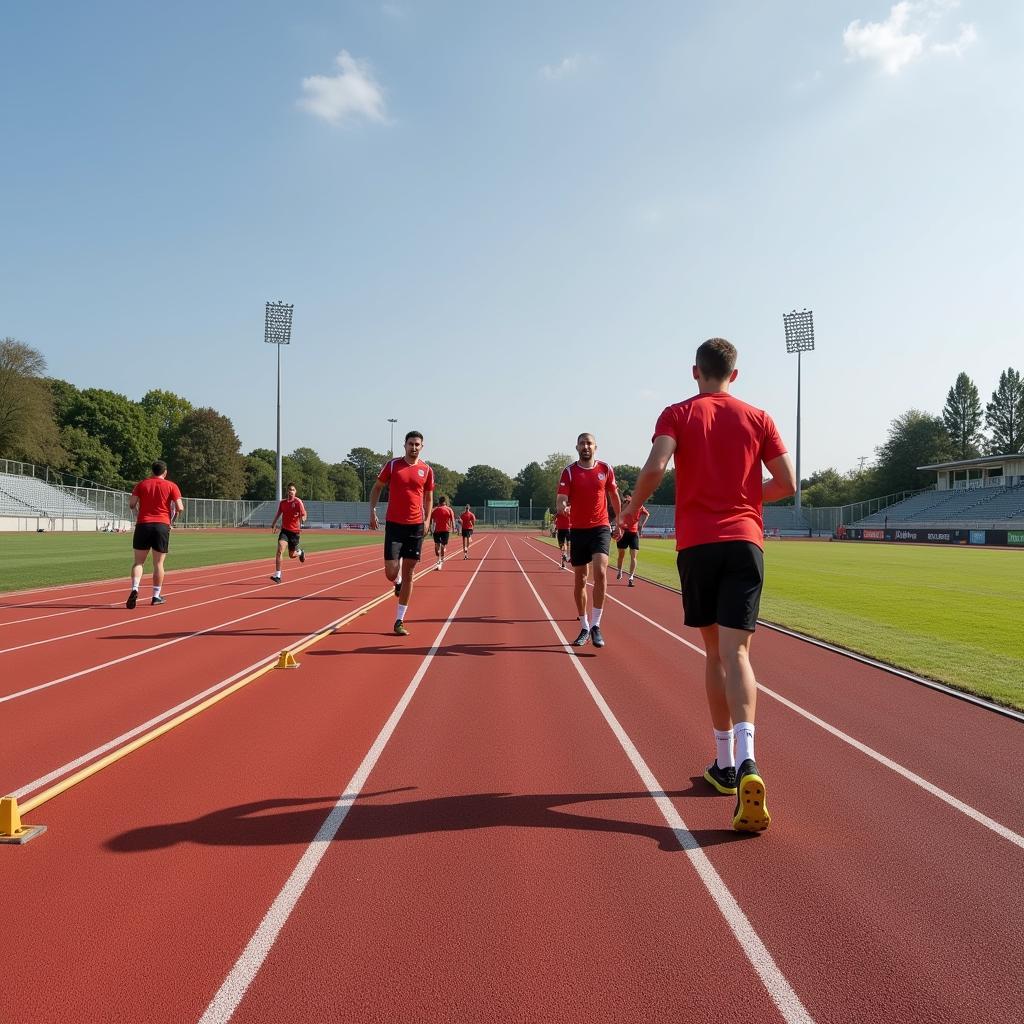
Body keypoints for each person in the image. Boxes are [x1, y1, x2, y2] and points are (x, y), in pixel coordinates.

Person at [619, 338, 795, 833]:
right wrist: (743, 494)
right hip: (745, 542)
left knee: (713, 653)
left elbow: (655, 467)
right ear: (734, 375)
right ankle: (747, 763)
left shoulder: (677, 414)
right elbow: (786, 484)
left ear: (695, 371)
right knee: (739, 655)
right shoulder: (759, 417)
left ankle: (723, 761)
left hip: (697, 544)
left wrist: (630, 510)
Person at [556, 433, 620, 649]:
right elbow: (561, 498)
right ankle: (584, 626)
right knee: (580, 579)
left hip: (600, 527)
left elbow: (613, 496)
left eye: (589, 444)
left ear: (595, 447)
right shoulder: (570, 472)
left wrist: (619, 520)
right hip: (578, 530)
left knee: (601, 572)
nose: (586, 447)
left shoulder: (605, 469)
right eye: (582, 443)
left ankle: (596, 625)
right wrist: (562, 506)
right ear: (577, 447)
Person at [368, 431, 434, 636]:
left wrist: (427, 520)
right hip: (395, 525)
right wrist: (372, 511)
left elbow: (429, 498)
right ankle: (396, 583)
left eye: (417, 444)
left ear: (422, 447)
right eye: (410, 444)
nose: (413, 447)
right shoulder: (393, 465)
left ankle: (399, 620)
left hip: (415, 527)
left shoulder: (427, 470)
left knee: (409, 573)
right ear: (404, 445)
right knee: (391, 572)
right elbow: (377, 487)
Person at [126, 460, 184, 608]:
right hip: (162, 525)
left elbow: (132, 504)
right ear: (165, 472)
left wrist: (138, 515)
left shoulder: (142, 484)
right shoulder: (172, 486)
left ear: (151, 471)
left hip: (143, 524)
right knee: (158, 563)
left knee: (138, 562)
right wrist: (172, 522)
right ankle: (156, 596)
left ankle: (134, 589)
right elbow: (180, 507)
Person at [269, 483, 307, 582]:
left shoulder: (298, 502)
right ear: (287, 491)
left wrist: (303, 519)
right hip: (285, 531)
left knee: (291, 555)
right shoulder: (283, 503)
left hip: (295, 532)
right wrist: (273, 523)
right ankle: (278, 575)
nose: (291, 491)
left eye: (293, 490)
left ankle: (300, 552)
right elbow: (278, 513)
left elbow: (304, 514)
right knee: (280, 550)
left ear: (295, 492)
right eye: (289, 489)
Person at [615, 490, 650, 586]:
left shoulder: (639, 506)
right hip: (623, 532)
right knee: (621, 555)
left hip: (634, 533)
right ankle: (619, 570)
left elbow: (647, 514)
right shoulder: (624, 504)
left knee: (633, 556)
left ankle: (631, 577)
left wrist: (641, 525)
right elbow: (619, 514)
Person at [429, 495, 456, 569]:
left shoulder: (435, 510)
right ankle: (441, 559)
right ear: (445, 502)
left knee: (437, 545)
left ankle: (438, 560)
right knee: (442, 546)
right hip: (445, 530)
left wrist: (430, 529)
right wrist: (454, 528)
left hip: (437, 530)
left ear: (439, 502)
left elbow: (430, 520)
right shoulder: (449, 509)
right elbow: (452, 519)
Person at [554, 504, 571, 569]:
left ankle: (565, 556)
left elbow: (555, 517)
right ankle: (565, 558)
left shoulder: (561, 511)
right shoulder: (568, 510)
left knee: (563, 545)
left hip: (562, 529)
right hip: (567, 529)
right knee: (567, 543)